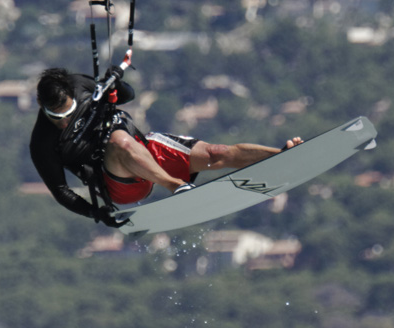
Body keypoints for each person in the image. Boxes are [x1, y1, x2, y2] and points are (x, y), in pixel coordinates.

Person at [29, 67, 301, 225]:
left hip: (142, 149)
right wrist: (95, 212)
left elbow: (126, 95)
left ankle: (282, 156)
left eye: (67, 113)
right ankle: (176, 187)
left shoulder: (78, 84)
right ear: (42, 107)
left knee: (216, 153)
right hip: (118, 184)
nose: (63, 122)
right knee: (120, 144)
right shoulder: (42, 142)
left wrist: (114, 84)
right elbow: (61, 191)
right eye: (56, 117)